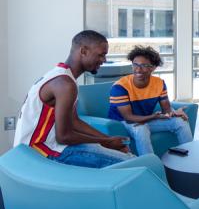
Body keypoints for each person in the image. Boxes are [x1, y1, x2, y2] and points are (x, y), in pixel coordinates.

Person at [13, 30, 134, 167]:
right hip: (40, 152)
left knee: (122, 155)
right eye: (101, 55)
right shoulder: (65, 84)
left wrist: (108, 139)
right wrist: (106, 142)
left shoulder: (62, 76)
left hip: (48, 146)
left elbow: (74, 121)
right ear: (83, 51)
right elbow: (64, 136)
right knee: (131, 163)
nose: (104, 60)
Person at [107, 46, 192, 155]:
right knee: (141, 129)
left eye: (144, 66)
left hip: (145, 119)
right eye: (135, 64)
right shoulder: (120, 87)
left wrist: (174, 112)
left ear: (153, 68)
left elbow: (166, 109)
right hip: (122, 122)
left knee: (180, 121)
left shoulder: (159, 83)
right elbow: (129, 118)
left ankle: (190, 157)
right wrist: (153, 116)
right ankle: (151, 165)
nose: (138, 69)